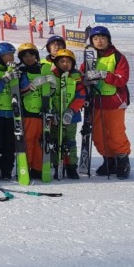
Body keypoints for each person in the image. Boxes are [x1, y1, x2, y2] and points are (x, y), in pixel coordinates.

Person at [81, 26, 132, 178]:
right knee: (98, 136)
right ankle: (109, 160)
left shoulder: (117, 57)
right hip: (95, 102)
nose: (99, 41)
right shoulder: (89, 57)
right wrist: (84, 79)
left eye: (103, 38)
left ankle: (122, 162)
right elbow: (81, 74)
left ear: (108, 40)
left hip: (114, 102)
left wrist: (104, 75)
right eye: (95, 39)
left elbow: (122, 79)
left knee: (116, 134)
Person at [17, 42, 55, 180]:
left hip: (44, 111)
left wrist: (52, 87)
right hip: (28, 111)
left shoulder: (44, 69)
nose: (29, 58)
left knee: (42, 141)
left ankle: (39, 168)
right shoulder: (20, 71)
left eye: (31, 55)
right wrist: (32, 86)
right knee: (28, 141)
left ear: (36, 55)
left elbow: (52, 92)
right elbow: (17, 92)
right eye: (25, 56)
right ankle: (26, 166)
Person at [0, 42, 24, 181]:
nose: (11, 57)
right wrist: (5, 79)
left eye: (12, 54)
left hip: (12, 114)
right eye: (7, 55)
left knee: (10, 146)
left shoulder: (17, 69)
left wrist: (24, 81)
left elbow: (23, 89)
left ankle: (7, 170)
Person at [49, 48, 87, 179]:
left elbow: (81, 96)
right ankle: (56, 165)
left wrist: (71, 111)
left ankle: (71, 167)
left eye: (68, 62)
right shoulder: (52, 75)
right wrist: (52, 111)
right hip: (55, 116)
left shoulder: (76, 77)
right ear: (57, 63)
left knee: (70, 141)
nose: (65, 64)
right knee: (55, 141)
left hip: (71, 116)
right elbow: (47, 95)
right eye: (62, 61)